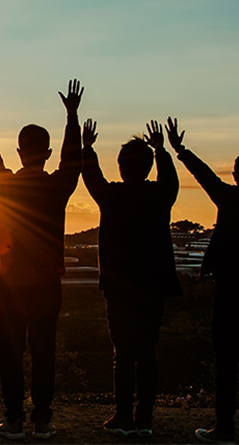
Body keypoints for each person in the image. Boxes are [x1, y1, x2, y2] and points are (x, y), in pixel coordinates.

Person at [0, 78, 82, 439]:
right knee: (44, 351)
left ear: (19, 152)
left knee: (10, 353)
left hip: (9, 283)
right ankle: (43, 420)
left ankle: (15, 420)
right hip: (48, 282)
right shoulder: (57, 186)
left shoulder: (6, 184)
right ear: (46, 152)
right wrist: (72, 117)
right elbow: (73, 161)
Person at [81, 119, 181, 437]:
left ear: (121, 167)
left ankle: (123, 417)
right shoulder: (160, 195)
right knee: (147, 350)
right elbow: (171, 180)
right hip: (153, 286)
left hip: (120, 287)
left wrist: (87, 147)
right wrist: (162, 150)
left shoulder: (112, 197)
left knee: (122, 353)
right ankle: (145, 419)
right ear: (149, 167)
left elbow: (91, 176)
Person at [165, 118, 239, 445]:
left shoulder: (230, 198)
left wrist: (180, 150)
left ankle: (225, 428)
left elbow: (204, 177)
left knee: (226, 360)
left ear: (236, 175)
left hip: (229, 290)